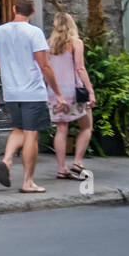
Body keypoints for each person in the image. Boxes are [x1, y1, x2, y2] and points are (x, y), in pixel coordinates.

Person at [0, 0, 64, 193]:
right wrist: (57, 92)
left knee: (18, 129)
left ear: (13, 9)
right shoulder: (34, 33)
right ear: (33, 12)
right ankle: (28, 182)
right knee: (31, 135)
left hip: (11, 92)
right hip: (32, 92)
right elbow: (45, 65)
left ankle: (7, 159)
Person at [47, 12, 95, 180]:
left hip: (54, 93)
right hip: (74, 92)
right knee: (87, 126)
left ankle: (61, 169)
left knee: (61, 128)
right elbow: (80, 68)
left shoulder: (49, 44)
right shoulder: (76, 43)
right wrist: (90, 91)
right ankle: (77, 162)